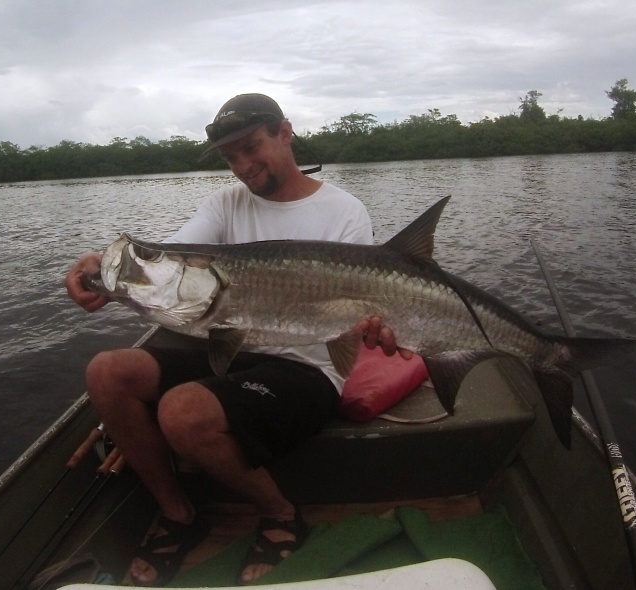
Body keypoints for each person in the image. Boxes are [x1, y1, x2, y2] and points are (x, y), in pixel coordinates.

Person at [65, 93, 402, 586]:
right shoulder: (225, 204)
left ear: (285, 132)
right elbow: (174, 258)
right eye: (230, 156)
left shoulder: (343, 211)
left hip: (306, 367)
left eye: (251, 146)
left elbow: (363, 311)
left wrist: (377, 325)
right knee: (107, 373)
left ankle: (281, 513)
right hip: (233, 348)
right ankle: (178, 512)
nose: (242, 165)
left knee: (182, 412)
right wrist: (101, 264)